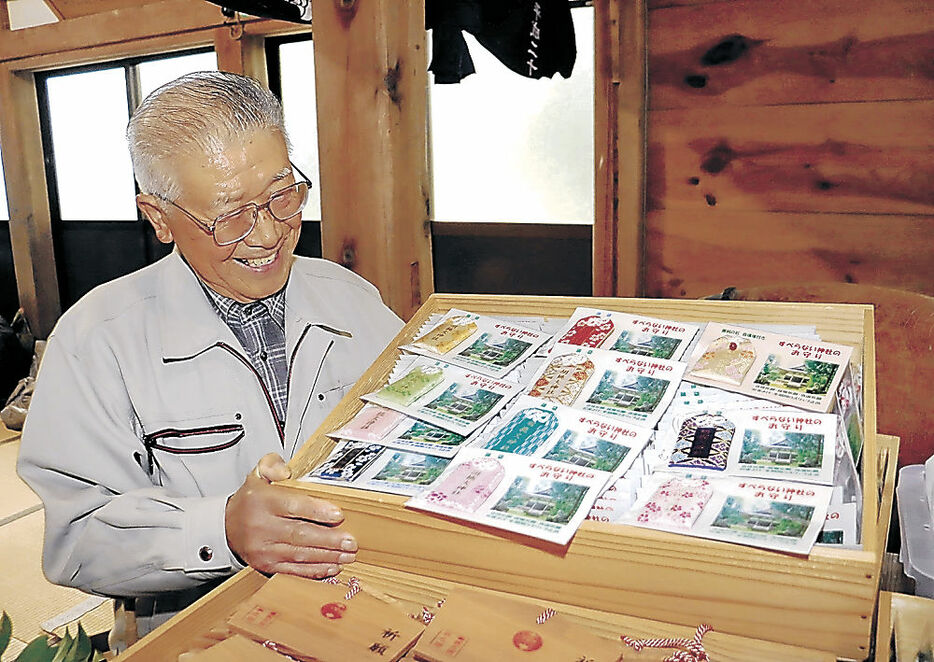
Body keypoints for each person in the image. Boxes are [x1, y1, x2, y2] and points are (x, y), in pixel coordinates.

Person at [16, 71, 403, 647]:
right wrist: (221, 528)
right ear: (159, 217)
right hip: (211, 638)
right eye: (230, 215)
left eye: (282, 195)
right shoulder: (98, 339)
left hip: (370, 611)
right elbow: (75, 541)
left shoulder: (350, 296)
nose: (268, 234)